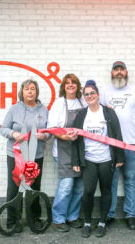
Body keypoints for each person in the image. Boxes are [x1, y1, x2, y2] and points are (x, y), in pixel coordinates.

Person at [72, 80, 125, 238]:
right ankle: (87, 223)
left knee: (106, 190)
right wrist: (76, 161)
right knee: (88, 191)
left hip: (106, 159)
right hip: (88, 159)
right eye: (86, 94)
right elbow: (75, 139)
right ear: (84, 97)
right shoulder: (81, 115)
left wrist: (119, 157)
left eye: (92, 93)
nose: (89, 96)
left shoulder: (108, 113)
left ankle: (102, 223)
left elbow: (117, 135)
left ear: (98, 95)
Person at [100, 61, 135, 230]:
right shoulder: (104, 92)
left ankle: (130, 215)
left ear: (126, 72)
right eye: (116, 70)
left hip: (130, 144)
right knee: (110, 181)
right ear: (112, 73)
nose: (119, 72)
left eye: (121, 70)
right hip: (111, 146)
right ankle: (110, 214)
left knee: (129, 180)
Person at [0, 79, 49, 233]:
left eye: (33, 89)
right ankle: (13, 221)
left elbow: (49, 130)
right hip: (16, 155)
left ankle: (34, 219)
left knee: (34, 187)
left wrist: (45, 136)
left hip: (36, 155)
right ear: (22, 91)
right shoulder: (14, 109)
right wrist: (13, 133)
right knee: (14, 188)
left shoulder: (43, 110)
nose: (30, 92)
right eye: (27, 89)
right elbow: (3, 128)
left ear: (36, 92)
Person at [48, 74, 85, 232]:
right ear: (63, 87)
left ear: (77, 86)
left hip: (80, 150)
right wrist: (65, 136)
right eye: (67, 83)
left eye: (73, 83)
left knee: (79, 187)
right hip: (63, 150)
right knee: (66, 185)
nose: (70, 85)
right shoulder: (58, 104)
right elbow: (52, 128)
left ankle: (72, 217)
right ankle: (58, 218)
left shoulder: (82, 102)